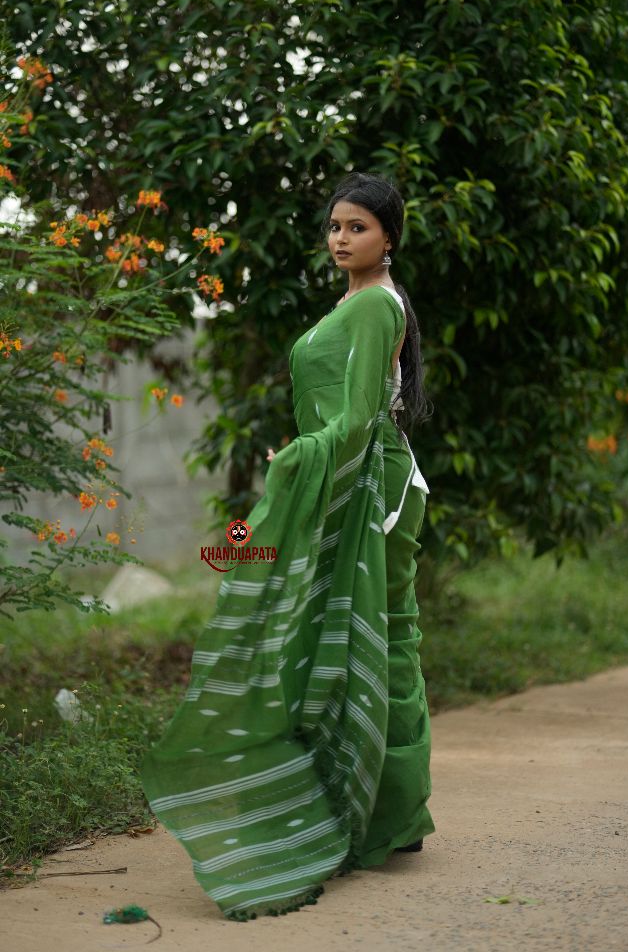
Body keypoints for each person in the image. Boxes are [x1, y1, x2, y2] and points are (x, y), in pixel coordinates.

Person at [140, 171, 435, 922]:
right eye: (334, 226)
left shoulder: (372, 304)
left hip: (374, 490)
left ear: (389, 237)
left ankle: (386, 815)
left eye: (357, 228)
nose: (341, 238)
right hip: (355, 476)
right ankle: (383, 813)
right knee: (367, 632)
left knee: (383, 638)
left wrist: (302, 459)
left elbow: (363, 416)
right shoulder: (355, 299)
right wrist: (306, 450)